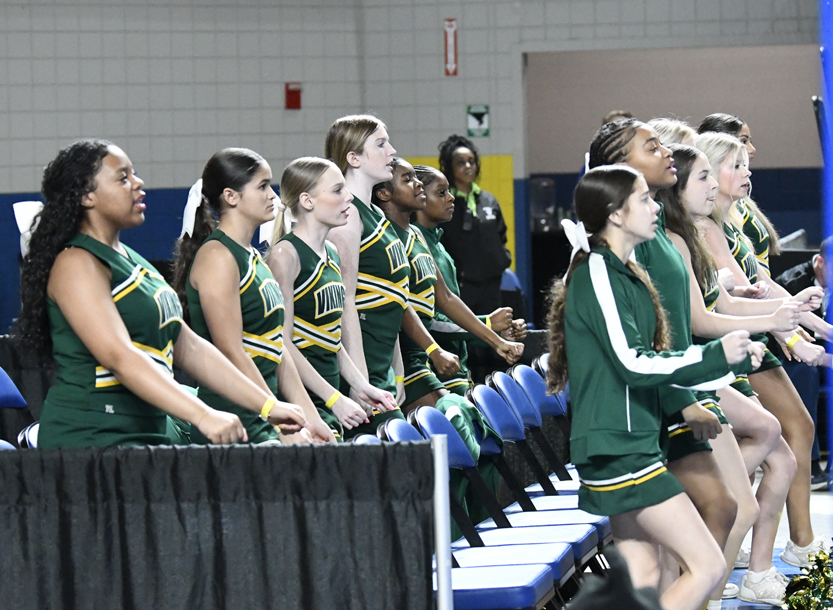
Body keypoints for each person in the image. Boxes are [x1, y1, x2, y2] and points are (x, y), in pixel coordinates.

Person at [547, 164, 761, 610]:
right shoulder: (598, 272)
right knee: (707, 565)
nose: (655, 207)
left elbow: (653, 359)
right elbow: (633, 362)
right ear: (616, 214)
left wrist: (725, 361)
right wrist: (717, 355)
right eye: (643, 199)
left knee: (643, 575)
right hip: (617, 445)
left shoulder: (622, 270)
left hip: (631, 441)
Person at [15, 140, 307, 448]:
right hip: (91, 440)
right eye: (123, 178)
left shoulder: (133, 260)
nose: (138, 183)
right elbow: (119, 357)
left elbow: (190, 348)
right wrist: (203, 414)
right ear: (87, 195)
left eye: (135, 174)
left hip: (143, 435)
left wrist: (267, 405)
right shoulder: (76, 262)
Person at [588, 120, 744, 606]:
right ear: (621, 167)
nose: (667, 153)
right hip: (628, 423)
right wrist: (686, 396)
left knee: (652, 568)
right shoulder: (607, 261)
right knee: (707, 539)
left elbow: (674, 327)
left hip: (646, 415)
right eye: (651, 147)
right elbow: (634, 355)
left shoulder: (650, 236)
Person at [657, 143, 802, 605]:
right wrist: (769, 325)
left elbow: (715, 307)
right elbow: (693, 325)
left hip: (693, 380)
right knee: (716, 517)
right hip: (674, 389)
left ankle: (724, 592)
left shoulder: (686, 238)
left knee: (731, 506)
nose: (713, 185)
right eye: (703, 176)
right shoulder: (666, 243)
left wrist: (780, 317)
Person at [695, 131, 828, 568]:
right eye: (736, 162)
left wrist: (814, 325)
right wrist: (791, 333)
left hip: (746, 337)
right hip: (725, 347)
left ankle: (755, 560)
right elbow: (733, 300)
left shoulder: (731, 219)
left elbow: (759, 285)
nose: (747, 167)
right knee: (776, 443)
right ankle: (731, 547)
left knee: (779, 448)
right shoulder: (702, 228)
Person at [171, 148, 335, 445]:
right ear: (231, 196)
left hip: (264, 414)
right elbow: (232, 351)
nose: (273, 195)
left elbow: (277, 348)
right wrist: (276, 418)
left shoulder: (254, 258)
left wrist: (312, 420)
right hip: (235, 421)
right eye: (262, 186)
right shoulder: (218, 256)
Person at [325, 115, 459, 438]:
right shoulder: (348, 215)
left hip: (383, 370)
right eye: (381, 144)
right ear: (354, 158)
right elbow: (344, 303)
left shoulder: (376, 215)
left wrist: (397, 371)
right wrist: (359, 380)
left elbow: (395, 299)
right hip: (361, 372)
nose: (392, 151)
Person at [371, 158, 523, 411]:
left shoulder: (417, 236)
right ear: (384, 193)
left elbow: (447, 299)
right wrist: (486, 326)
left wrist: (498, 341)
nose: (417, 185)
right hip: (402, 360)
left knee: (473, 421)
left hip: (428, 359)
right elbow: (404, 309)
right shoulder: (383, 238)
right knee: (458, 421)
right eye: (408, 180)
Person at [267, 157, 397, 440]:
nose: (348, 196)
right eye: (337, 190)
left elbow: (330, 338)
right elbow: (282, 343)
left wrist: (362, 385)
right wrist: (332, 398)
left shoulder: (332, 252)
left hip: (330, 395)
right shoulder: (285, 256)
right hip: (302, 401)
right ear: (307, 200)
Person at [413, 164, 527, 396]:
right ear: (420, 196)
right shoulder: (415, 245)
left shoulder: (436, 244)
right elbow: (427, 322)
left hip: (457, 370)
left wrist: (496, 336)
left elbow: (452, 318)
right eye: (441, 193)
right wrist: (488, 325)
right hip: (433, 372)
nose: (451, 197)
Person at [775, 237, 833, 488]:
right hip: (792, 358)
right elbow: (782, 343)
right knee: (803, 372)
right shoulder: (790, 284)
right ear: (820, 262)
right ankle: (809, 464)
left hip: (823, 357)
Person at [436, 134, 512, 314]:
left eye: (471, 161)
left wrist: (501, 261)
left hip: (492, 284)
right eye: (461, 163)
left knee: (491, 329)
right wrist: (457, 272)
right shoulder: (443, 203)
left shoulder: (488, 200)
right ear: (450, 167)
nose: (468, 166)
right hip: (460, 287)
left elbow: (501, 234)